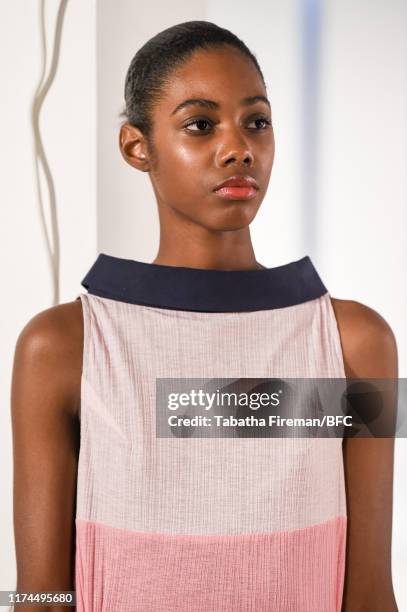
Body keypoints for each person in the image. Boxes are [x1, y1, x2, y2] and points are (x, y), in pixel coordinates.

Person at [11, 20, 399, 612]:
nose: (238, 147)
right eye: (200, 124)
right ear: (137, 147)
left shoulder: (355, 343)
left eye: (257, 122)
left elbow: (370, 592)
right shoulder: (63, 347)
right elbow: (41, 597)